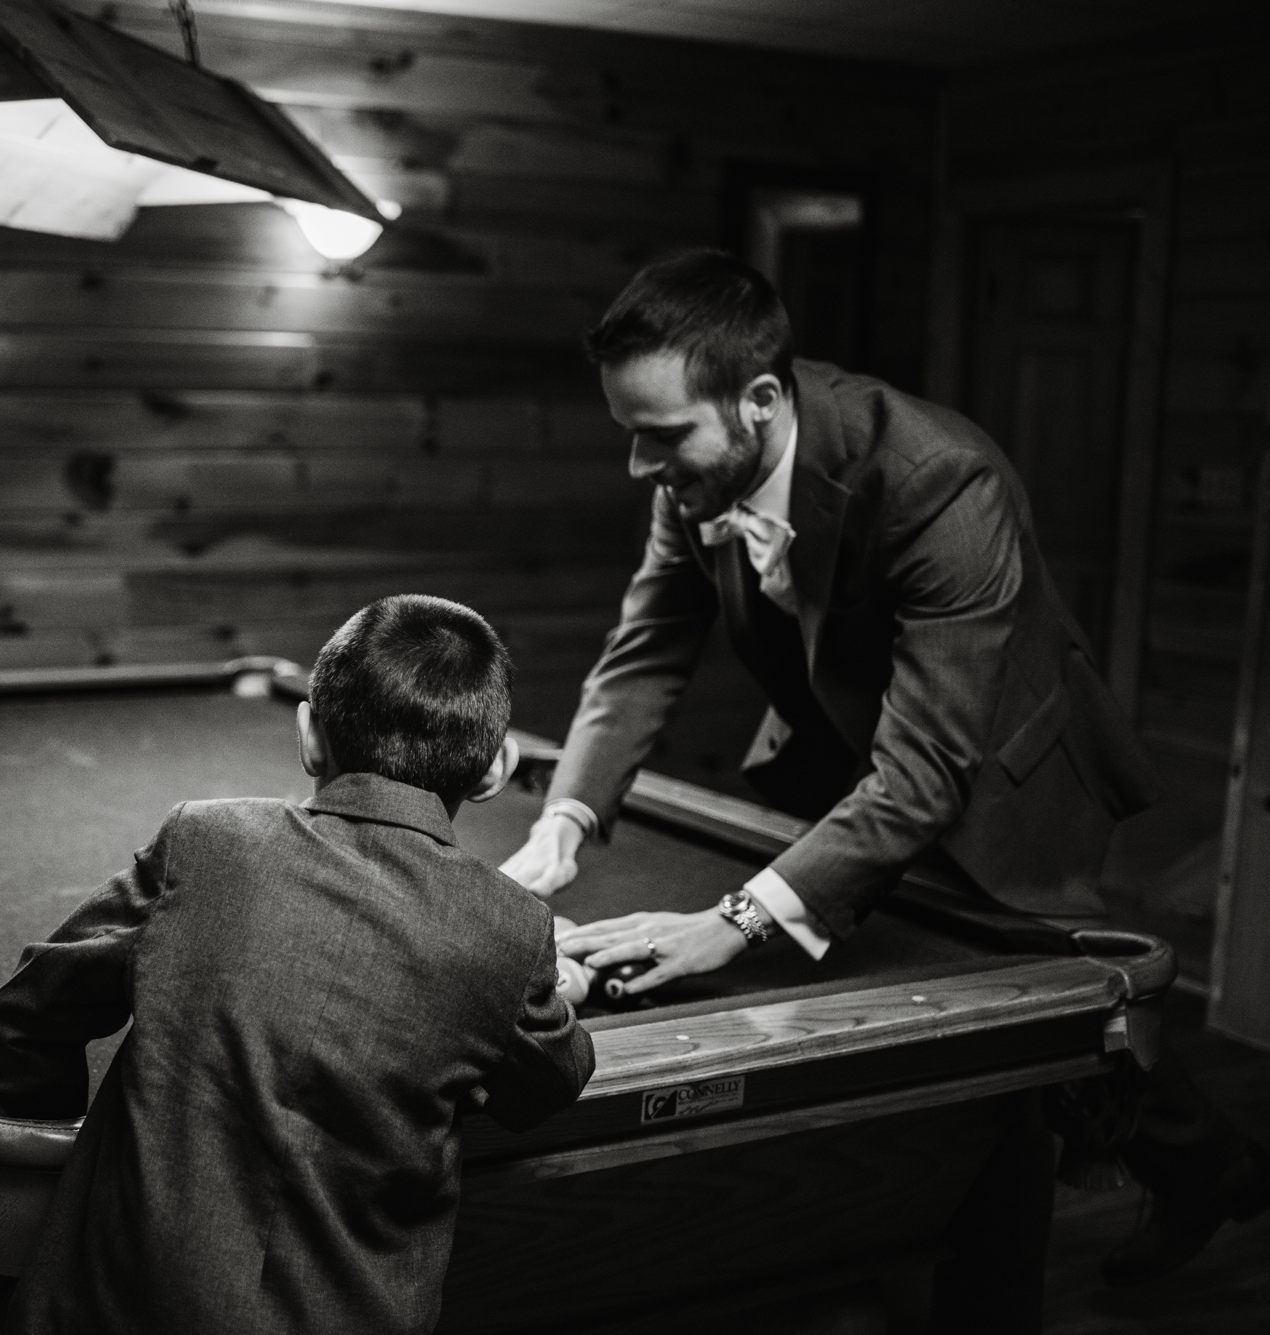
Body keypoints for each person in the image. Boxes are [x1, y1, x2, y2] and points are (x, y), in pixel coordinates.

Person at [500, 248, 1269, 1286]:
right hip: (853, 751)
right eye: (627, 434)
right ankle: (1204, 1168)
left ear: (759, 400)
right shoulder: (694, 473)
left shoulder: (939, 476)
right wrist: (564, 824)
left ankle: (1004, 1261)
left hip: (1006, 772)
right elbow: (643, 655)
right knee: (943, 981)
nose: (639, 466)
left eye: (658, 436)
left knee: (1015, 1007)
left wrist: (728, 923)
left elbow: (923, 770)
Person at [0, 594, 596, 1335]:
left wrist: (47, 1180)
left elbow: (24, 1018)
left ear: (309, 736)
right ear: (495, 770)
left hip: (103, 1310)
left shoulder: (204, 839)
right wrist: (553, 986)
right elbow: (549, 1085)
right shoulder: (511, 927)